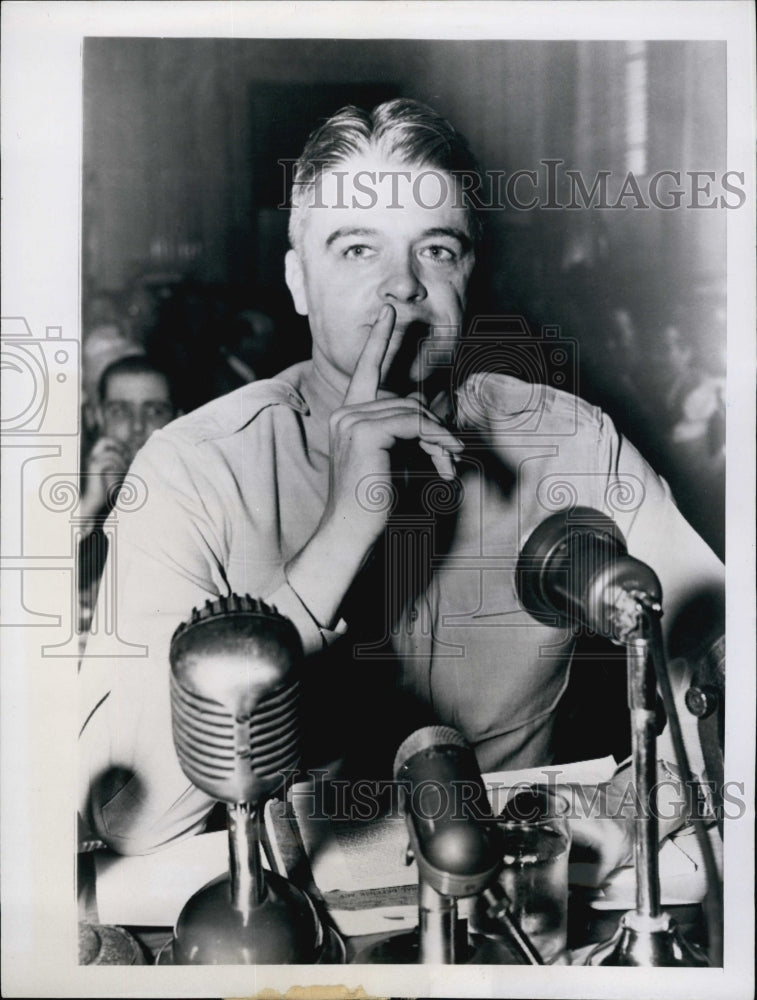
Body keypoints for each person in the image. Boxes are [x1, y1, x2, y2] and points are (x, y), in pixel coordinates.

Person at [79, 100, 724, 882]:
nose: (402, 289)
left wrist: (631, 808)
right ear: (297, 281)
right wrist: (341, 536)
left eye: (436, 250)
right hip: (284, 917)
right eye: (356, 249)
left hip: (517, 904)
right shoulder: (191, 468)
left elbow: (725, 658)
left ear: (469, 273)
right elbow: (127, 816)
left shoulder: (569, 443)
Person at [77, 355, 179, 634]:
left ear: (179, 418)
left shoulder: (194, 495)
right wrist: (89, 505)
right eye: (120, 411)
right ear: (96, 416)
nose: (136, 427)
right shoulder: (69, 486)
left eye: (154, 411)